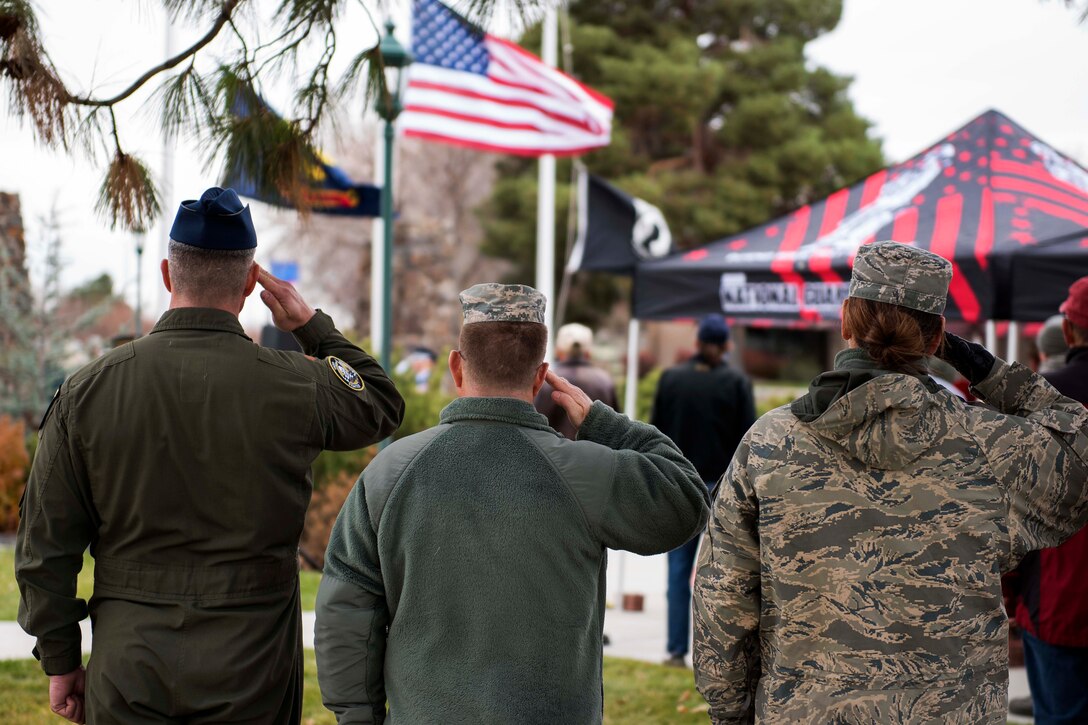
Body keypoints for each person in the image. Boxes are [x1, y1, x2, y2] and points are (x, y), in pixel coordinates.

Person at [15, 187, 405, 724]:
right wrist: (311, 326)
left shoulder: (89, 389)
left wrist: (60, 659)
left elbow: (44, 546)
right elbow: (380, 403)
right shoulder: (294, 384)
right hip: (253, 663)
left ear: (167, 274)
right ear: (250, 283)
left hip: (131, 661)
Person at [692, 241, 1088, 724]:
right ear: (938, 334)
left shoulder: (770, 443)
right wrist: (983, 367)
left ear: (845, 320)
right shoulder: (991, 445)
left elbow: (723, 597)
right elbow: (1077, 444)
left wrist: (729, 712)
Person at [314, 283, 710, 724]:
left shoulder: (390, 473)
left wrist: (357, 717)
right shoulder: (583, 472)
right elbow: (687, 500)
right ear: (541, 377)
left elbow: (346, 612)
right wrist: (604, 424)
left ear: (456, 367)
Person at [651, 314, 755, 667]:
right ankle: (716, 657)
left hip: (678, 485)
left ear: (696, 343)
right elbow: (747, 444)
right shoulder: (736, 383)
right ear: (726, 344)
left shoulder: (671, 379)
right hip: (720, 489)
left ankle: (676, 650)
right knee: (722, 576)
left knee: (678, 573)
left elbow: (657, 436)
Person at [1008, 276, 1088, 724]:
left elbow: (1014, 510)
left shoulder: (1039, 402)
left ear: (1071, 332)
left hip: (1057, 604)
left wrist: (1009, 595)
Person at [534, 322, 618, 439]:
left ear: (558, 351)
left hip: (553, 455)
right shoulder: (605, 381)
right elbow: (616, 427)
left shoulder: (545, 380)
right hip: (596, 455)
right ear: (588, 353)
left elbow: (536, 427)